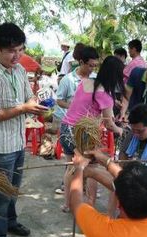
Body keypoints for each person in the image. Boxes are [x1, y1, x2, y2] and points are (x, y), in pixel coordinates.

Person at [0, 23, 48, 237]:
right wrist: (24, 107)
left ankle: (10, 222)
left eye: (20, 49)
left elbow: (28, 97)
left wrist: (37, 106)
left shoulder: (18, 70)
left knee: (13, 189)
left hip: (17, 143)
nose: (17, 55)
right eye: (11, 51)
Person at [59, 56, 124, 212]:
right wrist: (119, 130)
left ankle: (67, 204)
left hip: (65, 128)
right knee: (92, 167)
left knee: (71, 167)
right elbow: (109, 124)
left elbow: (83, 104)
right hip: (82, 133)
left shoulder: (86, 82)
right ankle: (90, 205)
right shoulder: (106, 95)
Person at [53, 46, 99, 195]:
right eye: (90, 65)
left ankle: (84, 187)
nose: (92, 69)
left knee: (87, 159)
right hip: (72, 126)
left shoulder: (93, 80)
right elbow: (59, 100)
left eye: (94, 66)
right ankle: (68, 190)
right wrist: (72, 106)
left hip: (89, 127)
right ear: (81, 62)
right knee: (72, 160)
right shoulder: (68, 79)